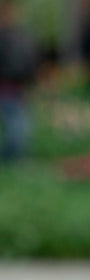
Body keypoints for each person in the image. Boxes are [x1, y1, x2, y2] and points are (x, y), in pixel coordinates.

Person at [0, 0, 38, 161]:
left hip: (16, 87)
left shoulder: (21, 36)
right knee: (16, 125)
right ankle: (12, 157)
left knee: (18, 126)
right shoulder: (18, 37)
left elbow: (30, 60)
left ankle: (12, 157)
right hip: (7, 86)